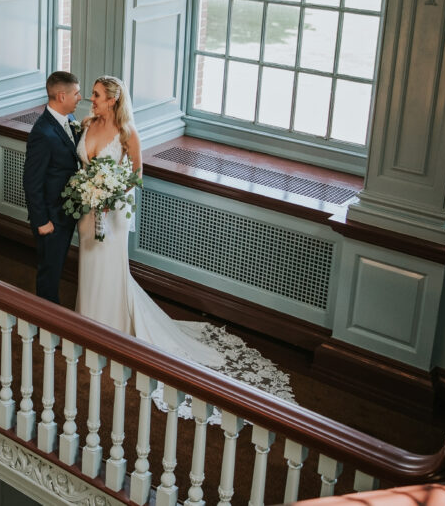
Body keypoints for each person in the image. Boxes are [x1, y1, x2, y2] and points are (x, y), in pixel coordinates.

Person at [74, 76, 294, 403]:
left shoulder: (127, 134)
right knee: (87, 265)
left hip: (113, 213)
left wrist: (111, 194)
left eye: (96, 95)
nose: (91, 100)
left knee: (108, 268)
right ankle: (84, 324)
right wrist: (86, 190)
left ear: (112, 101)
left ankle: (110, 329)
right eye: (91, 95)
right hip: (88, 211)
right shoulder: (86, 124)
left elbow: (136, 175)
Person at [23, 71, 83, 304]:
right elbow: (31, 181)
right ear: (61, 96)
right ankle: (47, 326)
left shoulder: (68, 120)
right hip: (51, 218)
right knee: (50, 272)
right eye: (76, 93)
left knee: (56, 267)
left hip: (65, 212)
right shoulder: (42, 133)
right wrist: (41, 221)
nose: (80, 97)